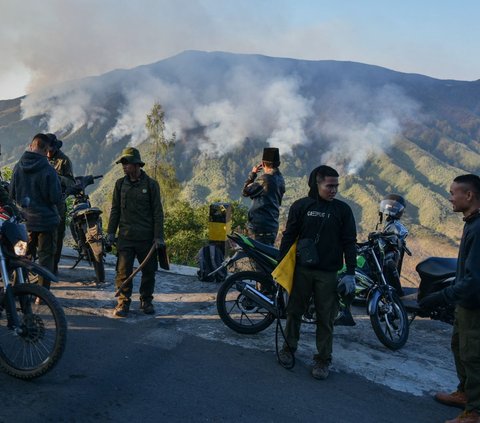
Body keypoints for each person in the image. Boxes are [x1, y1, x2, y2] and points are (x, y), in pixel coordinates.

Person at [278, 165, 357, 380]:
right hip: (301, 269)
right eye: (329, 186)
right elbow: (289, 236)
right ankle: (288, 348)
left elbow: (350, 242)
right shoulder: (301, 206)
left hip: (328, 273)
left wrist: (350, 272)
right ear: (316, 184)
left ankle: (323, 360)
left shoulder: (343, 210)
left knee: (326, 317)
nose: (334, 190)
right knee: (294, 311)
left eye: (336, 186)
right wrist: (280, 266)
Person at [419, 174, 480, 423]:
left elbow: (474, 280)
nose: (449, 197)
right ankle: (466, 393)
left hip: (475, 306)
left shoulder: (478, 228)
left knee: (473, 355)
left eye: (453, 192)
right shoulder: (471, 222)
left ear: (469, 195)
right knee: (459, 347)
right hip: (465, 304)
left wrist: (439, 297)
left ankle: (474, 412)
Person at [107, 147, 165, 318]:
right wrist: (111, 232)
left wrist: (158, 236)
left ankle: (146, 301)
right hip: (125, 237)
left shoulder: (151, 185)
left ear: (136, 164)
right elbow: (115, 210)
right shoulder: (120, 184)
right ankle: (123, 302)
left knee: (148, 272)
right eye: (122, 163)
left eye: (126, 163)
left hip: (146, 238)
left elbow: (157, 212)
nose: (123, 166)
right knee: (123, 272)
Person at [10, 133, 62, 290]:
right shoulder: (48, 170)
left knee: (22, 257)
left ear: (32, 146)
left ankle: (18, 288)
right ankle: (42, 294)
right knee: (46, 258)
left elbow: (11, 194)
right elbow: (55, 198)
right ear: (46, 149)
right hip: (46, 222)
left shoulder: (18, 167)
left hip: (25, 222)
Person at [242, 147, 285, 246]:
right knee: (266, 256)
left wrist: (252, 174)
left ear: (263, 163)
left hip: (260, 228)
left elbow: (245, 192)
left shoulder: (265, 179)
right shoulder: (280, 178)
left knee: (258, 258)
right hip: (272, 226)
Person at [46, 133, 75, 275]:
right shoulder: (40, 158)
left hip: (58, 204)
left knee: (57, 237)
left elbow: (71, 182)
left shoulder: (64, 161)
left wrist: (57, 177)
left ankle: (54, 266)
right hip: (41, 203)